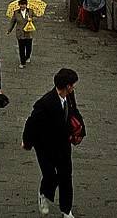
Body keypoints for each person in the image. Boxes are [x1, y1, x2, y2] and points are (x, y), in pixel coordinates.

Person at [22, 68, 85, 218]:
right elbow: (31, 123)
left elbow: (74, 112)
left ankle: (66, 209)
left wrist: (81, 131)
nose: (74, 87)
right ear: (67, 86)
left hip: (63, 144)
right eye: (73, 85)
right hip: (45, 146)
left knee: (66, 177)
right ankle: (44, 193)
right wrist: (27, 142)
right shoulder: (45, 103)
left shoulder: (70, 97)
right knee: (51, 177)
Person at [7, 0, 35, 68]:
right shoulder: (16, 12)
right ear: (19, 5)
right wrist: (9, 30)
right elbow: (12, 22)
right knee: (21, 48)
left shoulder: (30, 11)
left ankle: (27, 56)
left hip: (28, 32)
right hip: (20, 33)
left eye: (24, 5)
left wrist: (31, 20)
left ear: (26, 5)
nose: (23, 6)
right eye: (21, 5)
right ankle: (22, 62)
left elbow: (34, 18)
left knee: (29, 47)